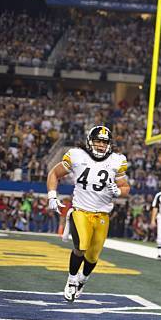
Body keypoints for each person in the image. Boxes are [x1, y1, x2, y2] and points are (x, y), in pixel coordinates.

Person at [46, 126, 130, 302]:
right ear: (90, 141)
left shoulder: (117, 160)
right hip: (81, 210)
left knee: (93, 256)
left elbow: (125, 188)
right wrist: (52, 195)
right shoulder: (77, 155)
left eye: (104, 142)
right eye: (98, 141)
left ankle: (83, 280)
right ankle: (71, 280)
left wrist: (118, 192)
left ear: (109, 144)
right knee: (81, 247)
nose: (100, 145)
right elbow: (54, 173)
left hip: (102, 214)